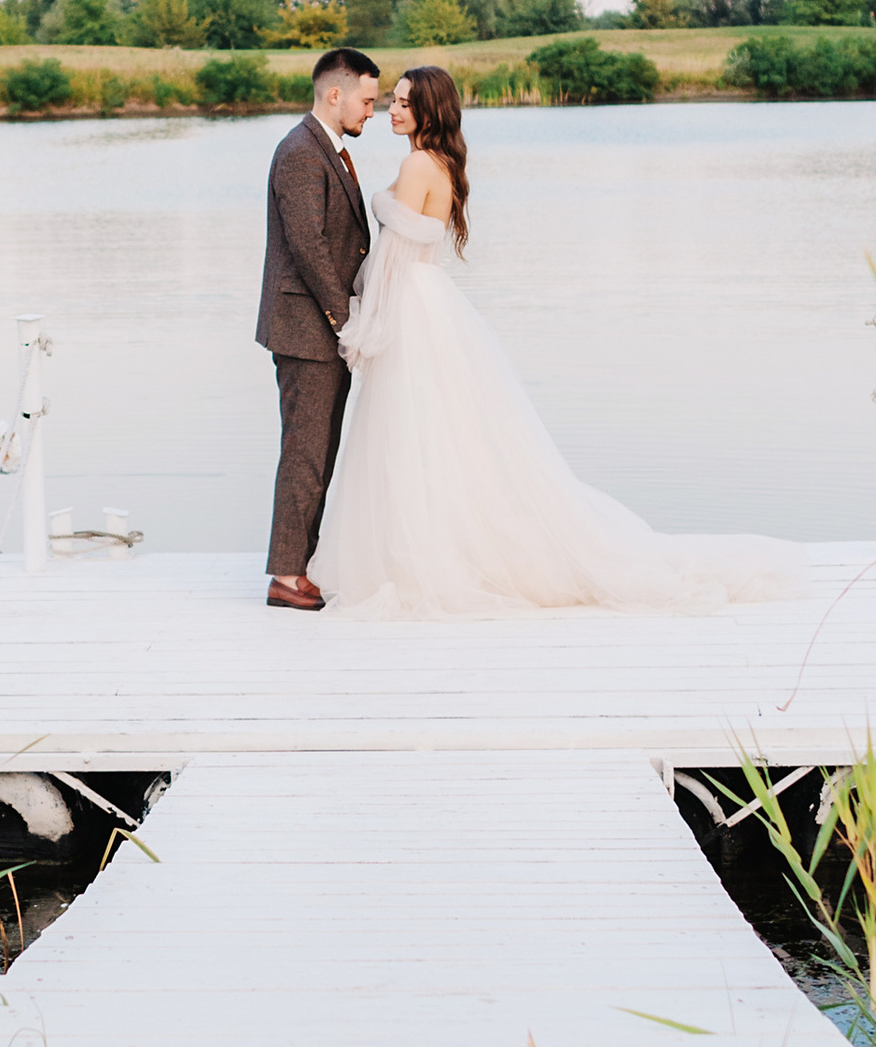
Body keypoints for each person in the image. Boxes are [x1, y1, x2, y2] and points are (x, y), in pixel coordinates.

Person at [307, 63, 807, 621]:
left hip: (410, 304)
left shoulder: (418, 164)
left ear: (428, 109)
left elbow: (394, 257)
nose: (393, 110)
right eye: (391, 101)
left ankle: (419, 553)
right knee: (437, 434)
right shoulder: (443, 163)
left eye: (402, 102)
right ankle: (439, 542)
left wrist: (363, 323)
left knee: (410, 433)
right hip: (431, 301)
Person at [256, 44, 383, 611]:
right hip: (308, 331)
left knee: (319, 450)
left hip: (320, 329)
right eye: (367, 100)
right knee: (306, 452)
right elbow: (308, 248)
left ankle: (299, 565)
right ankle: (285, 575)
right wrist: (346, 320)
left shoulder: (328, 147)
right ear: (336, 94)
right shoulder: (301, 153)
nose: (371, 113)